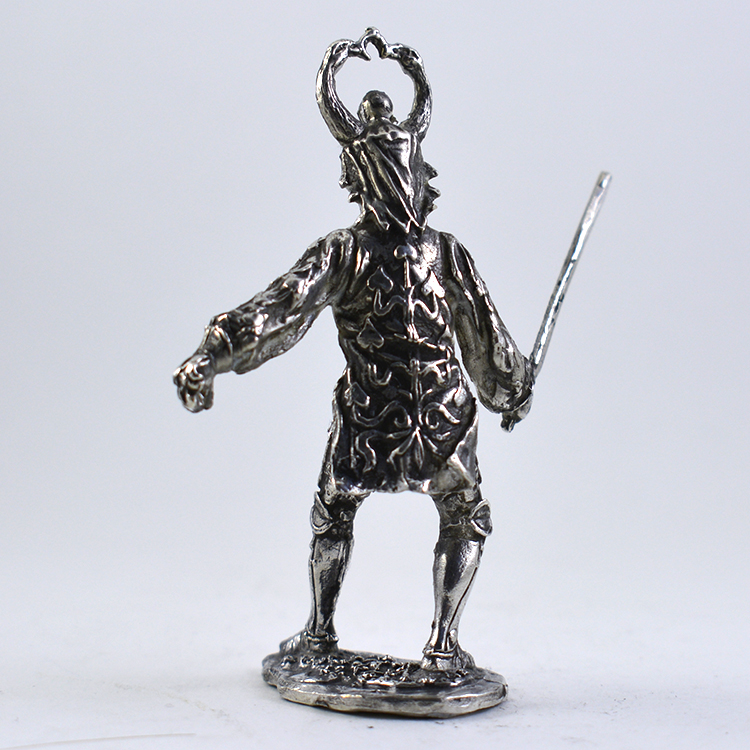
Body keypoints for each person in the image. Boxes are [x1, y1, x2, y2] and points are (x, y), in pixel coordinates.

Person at [174, 29, 534, 671]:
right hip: (439, 415)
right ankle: (435, 643)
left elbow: (279, 310)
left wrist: (212, 354)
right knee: (458, 513)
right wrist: (512, 388)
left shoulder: (354, 252)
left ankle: (325, 633)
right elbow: (489, 343)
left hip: (375, 416)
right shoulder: (435, 252)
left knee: (340, 510)